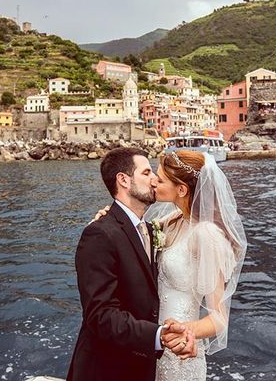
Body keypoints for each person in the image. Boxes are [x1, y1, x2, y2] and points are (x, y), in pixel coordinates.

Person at [92, 150, 247, 380]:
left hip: (180, 347)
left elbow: (219, 319)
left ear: (181, 190)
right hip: (152, 344)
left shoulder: (206, 234)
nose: (153, 180)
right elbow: (135, 233)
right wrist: (109, 217)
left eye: (160, 178)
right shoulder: (172, 221)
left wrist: (183, 331)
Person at [67, 147, 196, 381]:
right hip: (107, 370)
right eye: (147, 173)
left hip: (141, 367)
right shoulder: (99, 234)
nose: (155, 180)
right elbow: (100, 315)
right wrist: (158, 335)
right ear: (124, 180)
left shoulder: (149, 229)